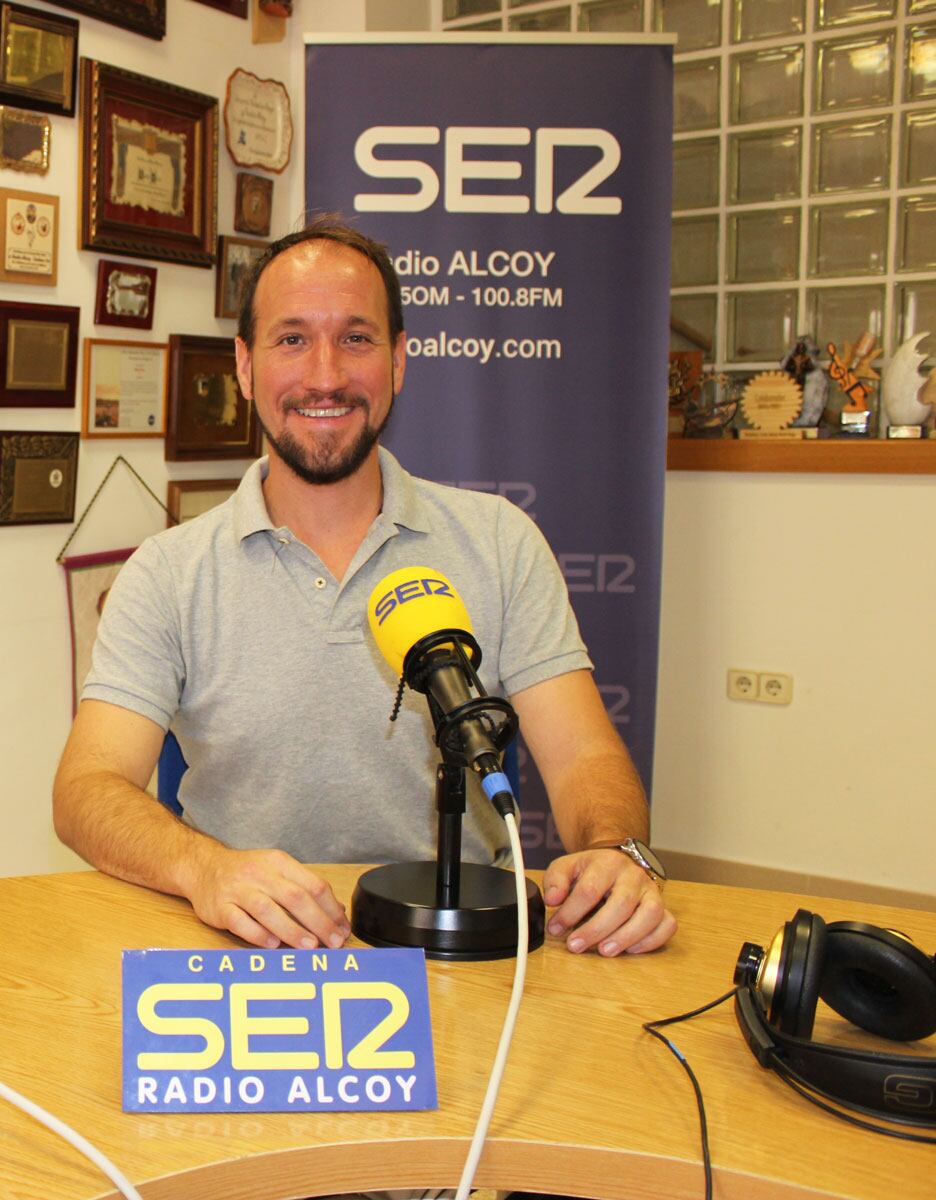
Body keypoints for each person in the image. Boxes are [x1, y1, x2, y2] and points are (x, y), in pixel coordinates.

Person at [52, 218, 674, 961]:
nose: (324, 375)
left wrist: (615, 853)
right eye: (291, 339)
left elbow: (583, 761)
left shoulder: (500, 542)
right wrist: (204, 868)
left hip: (463, 949)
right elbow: (88, 786)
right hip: (244, 948)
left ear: (399, 361)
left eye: (356, 338)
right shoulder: (168, 572)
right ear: (244, 368)